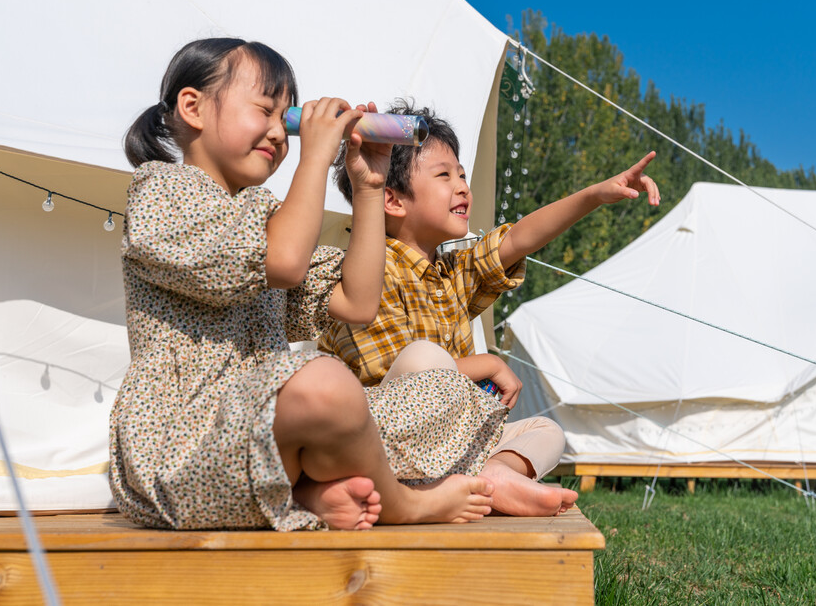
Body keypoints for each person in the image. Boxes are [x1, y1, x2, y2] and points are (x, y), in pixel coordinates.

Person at [109, 38, 502, 532]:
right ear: (194, 108)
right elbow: (286, 262)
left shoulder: (267, 216)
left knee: (439, 389)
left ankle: (305, 493)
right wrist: (315, 158)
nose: (280, 132)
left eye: (289, 120)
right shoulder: (161, 193)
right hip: (186, 449)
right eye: (266, 111)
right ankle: (405, 502)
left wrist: (368, 187)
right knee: (325, 382)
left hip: (267, 433)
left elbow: (357, 301)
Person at [319, 101, 660, 516]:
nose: (463, 186)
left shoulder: (452, 270)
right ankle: (449, 484)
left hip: (447, 439)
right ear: (392, 200)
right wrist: (484, 365)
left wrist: (594, 196)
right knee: (425, 356)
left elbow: (518, 239)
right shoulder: (368, 271)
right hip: (383, 440)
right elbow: (386, 380)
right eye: (444, 175)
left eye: (461, 174)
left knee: (546, 431)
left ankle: (492, 477)